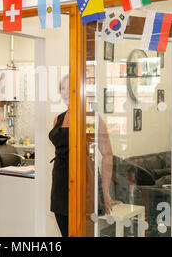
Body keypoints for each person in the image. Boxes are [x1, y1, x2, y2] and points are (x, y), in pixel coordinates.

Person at [48, 74, 118, 237]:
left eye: (70, 88)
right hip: (60, 186)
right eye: (63, 88)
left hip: (85, 186)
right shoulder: (57, 119)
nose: (66, 92)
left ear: (80, 91)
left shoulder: (92, 119)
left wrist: (105, 192)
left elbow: (107, 155)